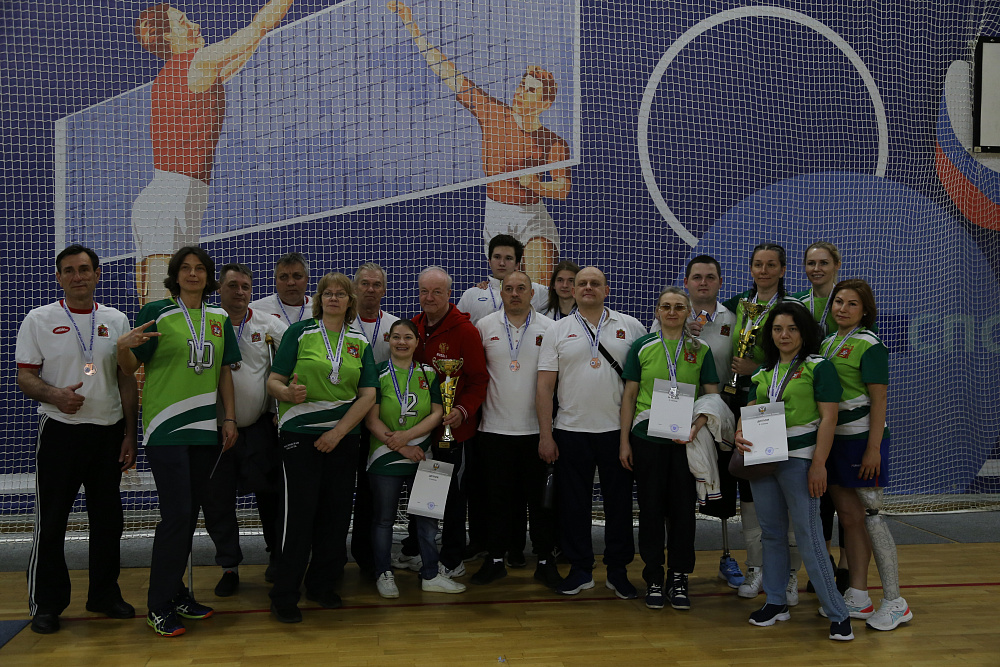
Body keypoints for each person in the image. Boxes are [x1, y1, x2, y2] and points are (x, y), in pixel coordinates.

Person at [388, 1, 571, 284]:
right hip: (496, 215)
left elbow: (562, 188)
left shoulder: (553, 142)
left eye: (530, 90)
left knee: (537, 289)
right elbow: (447, 72)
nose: (520, 92)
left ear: (544, 103)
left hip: (532, 216)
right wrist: (411, 25)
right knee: (511, 292)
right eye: (522, 85)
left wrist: (535, 185)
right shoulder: (493, 113)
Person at [132, 0, 294, 303]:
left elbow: (252, 41)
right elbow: (258, 26)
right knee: (160, 306)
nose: (195, 25)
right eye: (183, 22)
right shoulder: (197, 63)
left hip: (176, 200)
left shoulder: (192, 71)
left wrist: (258, 32)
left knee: (172, 303)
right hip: (168, 203)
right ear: (167, 37)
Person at [116, 246, 241, 637]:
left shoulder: (219, 317)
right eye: (185, 268)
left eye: (199, 268)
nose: (192, 274)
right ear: (175, 275)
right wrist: (122, 347)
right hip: (166, 429)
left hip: (204, 430)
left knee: (189, 516)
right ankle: (158, 605)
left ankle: (177, 593)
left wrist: (230, 417)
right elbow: (130, 368)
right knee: (176, 516)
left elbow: (224, 371)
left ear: (208, 276)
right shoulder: (157, 312)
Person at [16, 245, 138, 635]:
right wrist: (55, 395)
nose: (77, 276)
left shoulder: (116, 320)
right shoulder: (39, 319)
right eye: (68, 270)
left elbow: (126, 380)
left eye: (84, 269)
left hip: (108, 433)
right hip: (60, 433)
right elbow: (25, 376)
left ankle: (104, 595)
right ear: (59, 278)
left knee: (109, 521)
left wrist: (130, 434)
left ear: (97, 274)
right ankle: (47, 604)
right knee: (52, 521)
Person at [734, 302, 853, 641]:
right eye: (777, 329)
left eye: (792, 328)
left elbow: (829, 418)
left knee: (808, 534)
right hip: (762, 458)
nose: (783, 335)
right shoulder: (764, 371)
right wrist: (740, 431)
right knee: (771, 533)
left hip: (800, 459)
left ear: (804, 332)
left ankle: (838, 613)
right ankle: (775, 602)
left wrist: (819, 464)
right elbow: (751, 410)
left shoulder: (819, 366)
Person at [265, 273, 377, 623]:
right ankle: (285, 594)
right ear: (319, 299)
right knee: (298, 516)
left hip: (343, 439)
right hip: (299, 436)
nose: (333, 298)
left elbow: (368, 394)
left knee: (335, 514)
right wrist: (286, 393)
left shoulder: (359, 341)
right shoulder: (299, 333)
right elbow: (273, 380)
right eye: (327, 293)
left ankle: (322, 584)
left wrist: (339, 432)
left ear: (349, 301)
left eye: (340, 294)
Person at [536, 267, 647, 597]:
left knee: (619, 505)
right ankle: (581, 569)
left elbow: (643, 382)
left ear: (606, 290)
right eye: (581, 283)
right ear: (572, 290)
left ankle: (618, 571)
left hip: (617, 432)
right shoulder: (557, 330)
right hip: (570, 430)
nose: (587, 287)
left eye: (594, 283)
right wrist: (546, 435)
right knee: (574, 505)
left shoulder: (631, 327)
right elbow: (544, 387)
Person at [620, 287, 720, 610]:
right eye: (666, 306)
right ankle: (652, 576)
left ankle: (678, 577)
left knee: (682, 512)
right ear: (657, 311)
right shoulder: (642, 346)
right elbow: (629, 396)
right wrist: (624, 441)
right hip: (646, 439)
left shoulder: (701, 349)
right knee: (650, 511)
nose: (673, 312)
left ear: (688, 311)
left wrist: (696, 427)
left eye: (679, 306)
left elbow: (712, 398)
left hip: (685, 441)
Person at [821, 279, 912, 631]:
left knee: (873, 517)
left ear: (865, 310)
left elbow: (880, 399)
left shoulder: (870, 344)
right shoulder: (827, 343)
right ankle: (858, 594)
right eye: (838, 302)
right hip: (835, 441)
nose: (843, 308)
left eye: (852, 304)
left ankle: (895, 601)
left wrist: (874, 448)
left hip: (863, 442)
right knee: (849, 518)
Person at [365, 319, 466, 597]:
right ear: (388, 339)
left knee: (427, 519)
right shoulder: (376, 372)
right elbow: (371, 419)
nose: (402, 342)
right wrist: (401, 446)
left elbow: (437, 413)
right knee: (383, 519)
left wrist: (408, 438)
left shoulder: (429, 373)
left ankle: (431, 574)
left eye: (408, 337)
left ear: (417, 342)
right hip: (384, 456)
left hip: (423, 456)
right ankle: (383, 573)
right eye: (396, 337)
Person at [721, 242, 799, 602]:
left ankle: (789, 576)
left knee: (786, 489)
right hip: (742, 402)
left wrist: (759, 367)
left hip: (779, 404)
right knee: (751, 490)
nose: (763, 271)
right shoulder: (737, 304)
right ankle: (756, 568)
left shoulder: (793, 307)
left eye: (771, 265)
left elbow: (803, 354)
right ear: (750, 269)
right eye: (757, 264)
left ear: (782, 270)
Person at [472, 271, 559, 588]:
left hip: (536, 432)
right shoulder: (484, 326)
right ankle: (495, 560)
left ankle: (545, 561)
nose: (514, 293)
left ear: (532, 293)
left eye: (521, 288)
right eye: (508, 288)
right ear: (502, 293)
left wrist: (548, 433)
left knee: (541, 505)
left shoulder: (550, 328)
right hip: (494, 431)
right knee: (497, 502)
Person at [205, 263, 287, 597]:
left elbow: (295, 361)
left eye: (245, 287)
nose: (240, 292)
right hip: (213, 431)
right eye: (233, 286)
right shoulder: (206, 322)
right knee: (217, 501)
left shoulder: (269, 324)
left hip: (257, 429)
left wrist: (283, 409)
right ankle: (229, 567)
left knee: (271, 496)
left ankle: (277, 557)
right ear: (219, 289)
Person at [402, 266, 489, 577]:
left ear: (449, 294)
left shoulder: (466, 331)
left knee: (452, 497)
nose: (429, 297)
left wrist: (462, 411)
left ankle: (453, 558)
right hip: (421, 431)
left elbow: (479, 380)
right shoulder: (413, 328)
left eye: (437, 292)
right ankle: (417, 549)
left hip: (455, 432)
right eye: (424, 291)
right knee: (424, 493)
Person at [791, 241, 847, 593]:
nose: (817, 269)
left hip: (846, 412)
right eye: (811, 263)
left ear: (836, 265)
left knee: (847, 497)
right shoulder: (798, 304)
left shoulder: (848, 301)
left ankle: (846, 566)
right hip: (812, 408)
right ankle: (823, 562)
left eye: (823, 263)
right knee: (820, 493)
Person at [350, 262, 400, 579]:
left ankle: (368, 556)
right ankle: (330, 555)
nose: (370, 289)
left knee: (372, 495)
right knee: (341, 491)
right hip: (345, 420)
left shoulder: (394, 326)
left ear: (384, 290)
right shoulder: (340, 323)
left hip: (381, 423)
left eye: (376, 284)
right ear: (355, 287)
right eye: (364, 283)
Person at [456, 234, 549, 325]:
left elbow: (557, 292)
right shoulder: (471, 295)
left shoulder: (534, 291)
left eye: (508, 258)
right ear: (489, 261)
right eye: (497, 257)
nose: (502, 263)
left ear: (517, 264)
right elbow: (456, 327)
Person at [249, 252, 313, 326]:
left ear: (307, 279)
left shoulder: (319, 309)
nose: (291, 282)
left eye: (297, 276)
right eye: (283, 277)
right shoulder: (255, 310)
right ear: (276, 280)